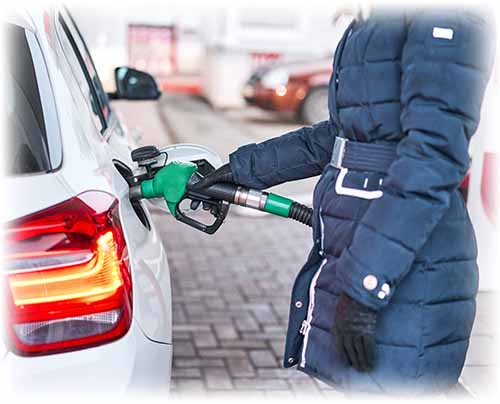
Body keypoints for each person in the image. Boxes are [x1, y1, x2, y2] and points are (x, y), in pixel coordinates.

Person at [194, 7, 496, 395]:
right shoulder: (371, 23)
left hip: (408, 266)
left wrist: (366, 285)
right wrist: (241, 168)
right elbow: (341, 136)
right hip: (367, 250)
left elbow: (433, 159)